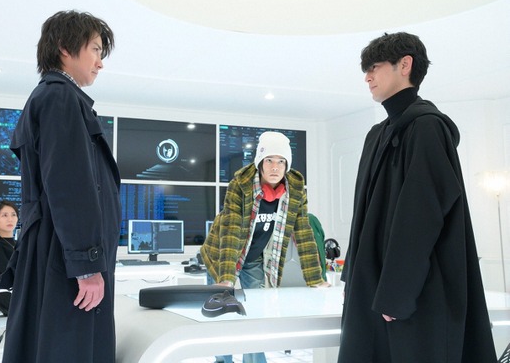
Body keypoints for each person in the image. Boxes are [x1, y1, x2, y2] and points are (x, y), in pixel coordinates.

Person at [338, 32, 496, 362]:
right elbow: (363, 219)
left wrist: (396, 293)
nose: (367, 77)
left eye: (374, 67)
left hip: (414, 297)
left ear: (405, 64)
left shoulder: (427, 127)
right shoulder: (377, 135)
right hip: (375, 292)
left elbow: (422, 216)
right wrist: (353, 281)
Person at [0, 10, 121, 363]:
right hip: (64, 258)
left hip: (55, 250)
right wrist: (87, 266)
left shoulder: (50, 98)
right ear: (66, 47)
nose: (100, 62)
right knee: (69, 349)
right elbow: (70, 186)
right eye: (95, 50)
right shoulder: (60, 98)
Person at [201, 131, 328, 363]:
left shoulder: (295, 188)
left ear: (287, 165)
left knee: (255, 314)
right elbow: (231, 230)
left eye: (281, 161)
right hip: (221, 254)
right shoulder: (241, 184)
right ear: (260, 162)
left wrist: (316, 279)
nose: (275, 167)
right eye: (269, 160)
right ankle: (223, 360)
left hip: (254, 257)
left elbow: (303, 231)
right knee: (221, 314)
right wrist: (226, 278)